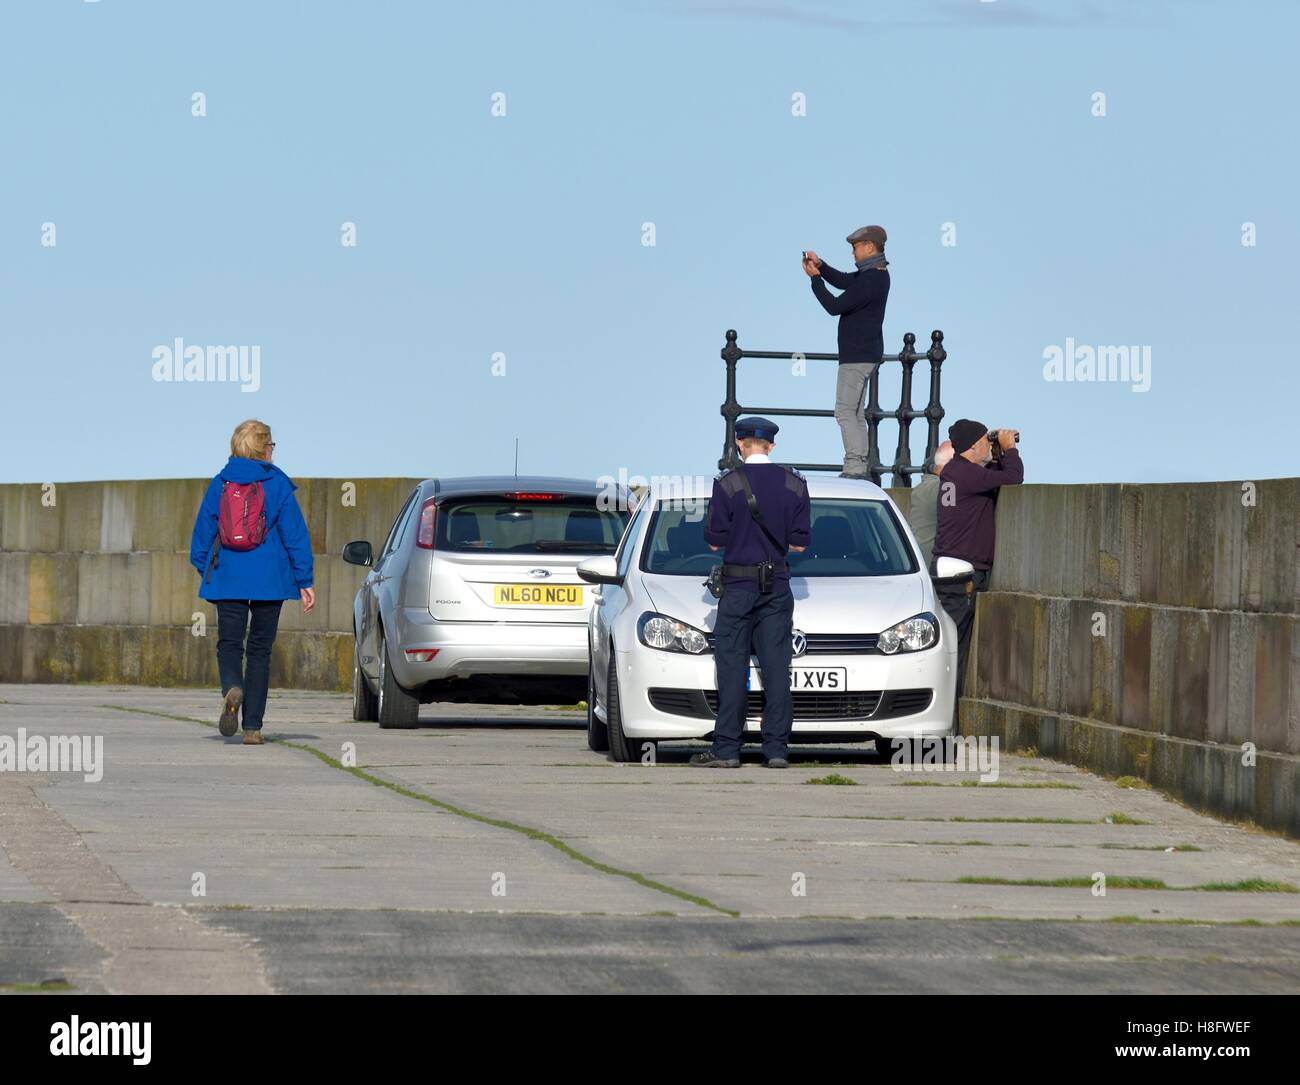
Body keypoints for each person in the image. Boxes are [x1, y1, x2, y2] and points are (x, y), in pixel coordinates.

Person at [189, 420, 315, 745]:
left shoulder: (220, 483)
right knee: (259, 652)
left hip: (228, 577)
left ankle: (234, 687)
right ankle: (253, 728)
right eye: (271, 444)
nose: (273, 450)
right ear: (262, 447)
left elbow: (201, 536)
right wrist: (305, 580)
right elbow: (295, 536)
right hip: (269, 580)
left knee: (230, 644)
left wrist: (208, 568)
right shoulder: (277, 484)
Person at [694, 417, 811, 769]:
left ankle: (728, 748)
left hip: (739, 586)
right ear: (771, 445)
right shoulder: (794, 483)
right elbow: (800, 545)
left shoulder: (728, 484)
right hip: (776, 586)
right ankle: (776, 749)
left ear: (740, 443)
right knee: (777, 667)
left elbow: (715, 541)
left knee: (732, 666)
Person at [931, 419, 1024, 712]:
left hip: (950, 572)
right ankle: (945, 727)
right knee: (953, 657)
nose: (989, 443)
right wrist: (1009, 451)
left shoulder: (956, 472)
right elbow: (1013, 478)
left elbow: (992, 478)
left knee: (949, 652)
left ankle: (944, 725)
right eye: (986, 440)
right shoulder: (966, 475)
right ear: (973, 446)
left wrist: (995, 452)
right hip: (961, 577)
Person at [802, 225, 891, 479]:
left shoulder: (871, 279)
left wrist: (815, 280)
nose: (853, 253)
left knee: (843, 412)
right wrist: (821, 266)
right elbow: (844, 280)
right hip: (866, 354)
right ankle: (859, 464)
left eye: (855, 248)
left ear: (870, 247)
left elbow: (835, 305)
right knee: (854, 413)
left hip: (856, 357)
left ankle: (854, 467)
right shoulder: (875, 275)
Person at [907, 439, 954, 570]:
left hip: (919, 562)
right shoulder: (944, 487)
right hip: (935, 568)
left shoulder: (921, 488)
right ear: (951, 464)